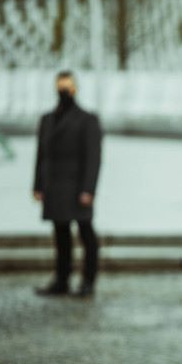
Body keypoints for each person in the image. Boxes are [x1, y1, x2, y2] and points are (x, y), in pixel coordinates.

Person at [33, 70, 103, 297]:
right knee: (61, 234)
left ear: (75, 88)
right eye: (60, 87)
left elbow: (93, 157)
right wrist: (38, 185)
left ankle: (88, 280)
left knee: (86, 233)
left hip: (77, 186)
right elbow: (41, 154)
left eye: (67, 87)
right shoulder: (47, 119)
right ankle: (61, 280)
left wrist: (88, 189)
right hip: (55, 186)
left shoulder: (87, 119)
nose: (63, 91)